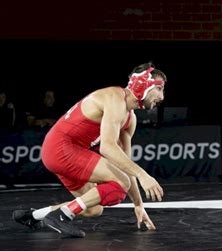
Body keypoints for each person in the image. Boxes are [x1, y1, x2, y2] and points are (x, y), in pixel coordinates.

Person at [12, 62, 166, 237]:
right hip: (61, 147)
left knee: (93, 209)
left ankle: (33, 216)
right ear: (142, 84)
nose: (162, 96)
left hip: (66, 151)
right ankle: (62, 216)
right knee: (121, 182)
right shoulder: (114, 98)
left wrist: (138, 205)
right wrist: (143, 175)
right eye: (159, 89)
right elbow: (108, 148)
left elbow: (125, 163)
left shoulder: (130, 119)